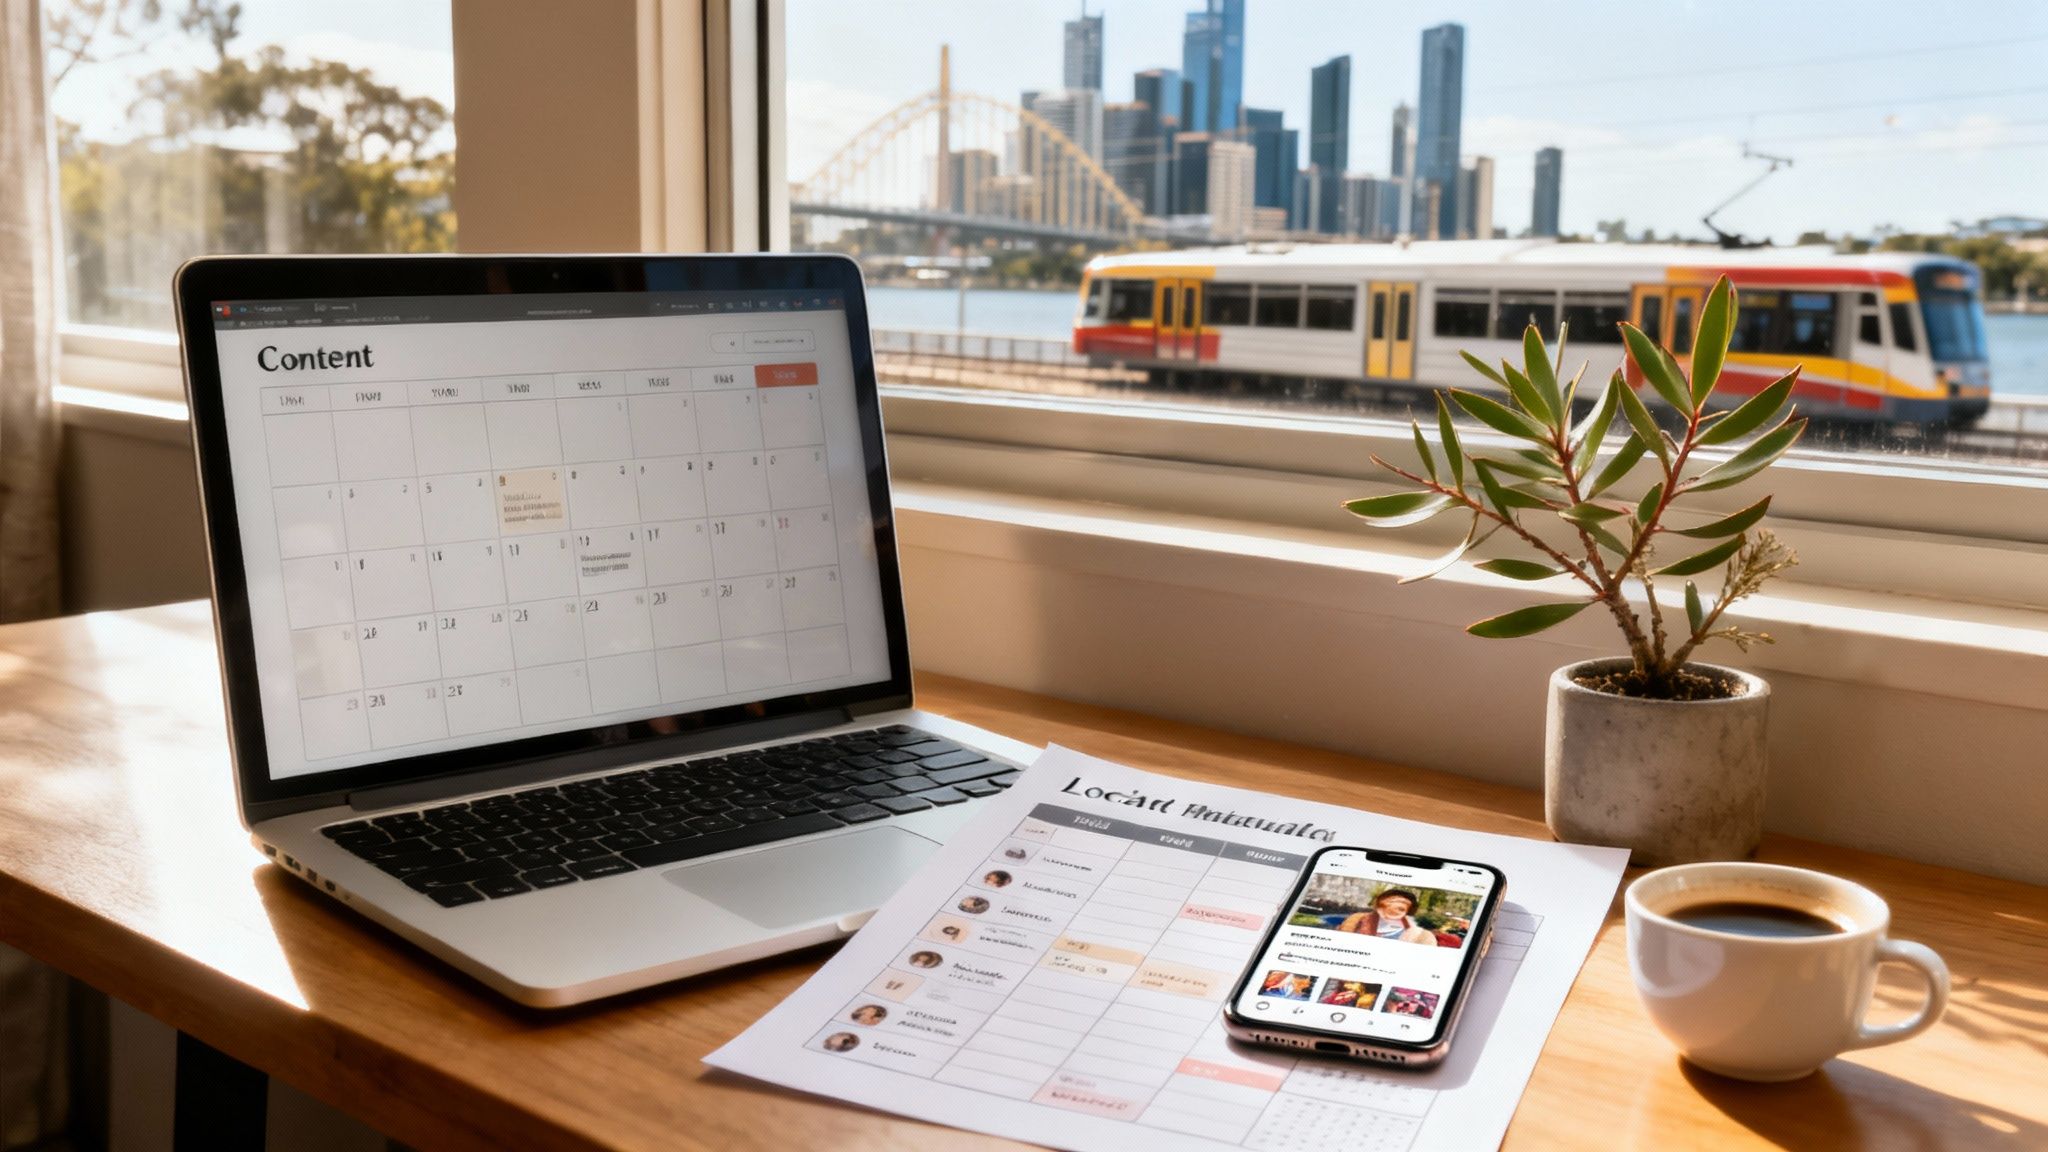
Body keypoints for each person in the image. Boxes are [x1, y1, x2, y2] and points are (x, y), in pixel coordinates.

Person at [1336, 888, 1437, 946]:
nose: (1390, 910)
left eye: (1400, 908)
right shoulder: (1355, 920)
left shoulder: (1423, 937)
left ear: (1409, 912)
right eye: (1385, 905)